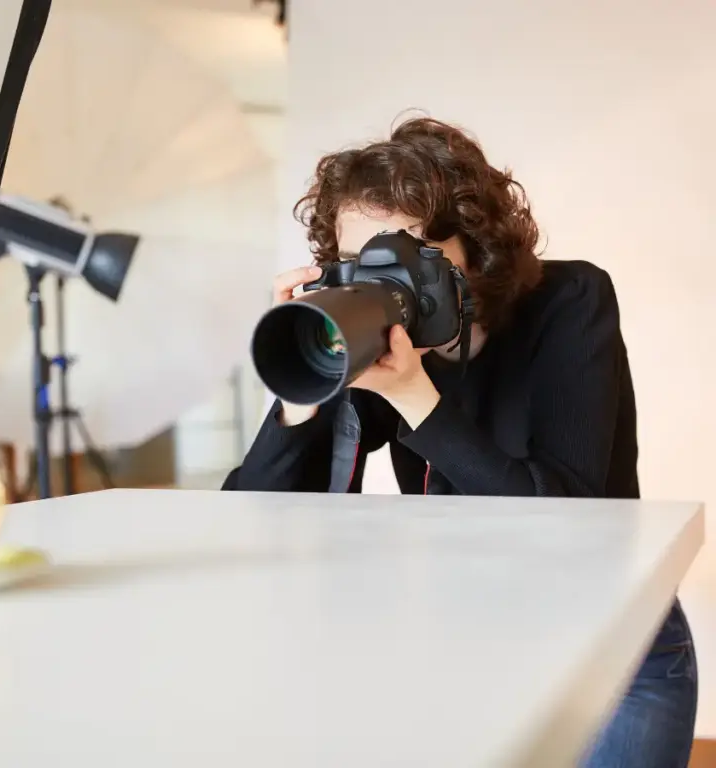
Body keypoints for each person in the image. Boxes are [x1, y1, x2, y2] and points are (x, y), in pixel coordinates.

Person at [222, 116, 697, 767]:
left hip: (611, 650)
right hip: (475, 639)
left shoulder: (571, 300)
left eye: (405, 257)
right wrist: (304, 385)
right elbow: (255, 521)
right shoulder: (368, 337)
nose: (384, 285)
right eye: (361, 264)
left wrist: (414, 392)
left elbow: (568, 518)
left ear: (475, 247)